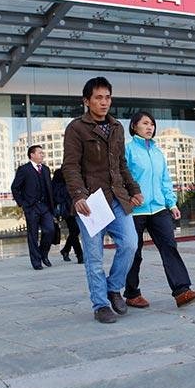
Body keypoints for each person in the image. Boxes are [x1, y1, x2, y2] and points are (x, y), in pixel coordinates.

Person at [62, 76, 143, 323]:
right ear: (86, 101)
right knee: (94, 256)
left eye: (107, 97)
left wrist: (134, 189)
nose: (104, 102)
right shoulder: (76, 128)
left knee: (130, 244)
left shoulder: (117, 127)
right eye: (98, 97)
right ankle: (100, 305)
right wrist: (78, 195)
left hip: (117, 197)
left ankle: (113, 287)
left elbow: (121, 164)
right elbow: (70, 166)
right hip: (91, 201)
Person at [124, 111, 195, 309]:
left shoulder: (158, 153)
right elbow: (122, 178)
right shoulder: (128, 150)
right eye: (145, 123)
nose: (149, 127)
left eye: (152, 124)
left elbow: (165, 181)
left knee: (169, 247)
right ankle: (132, 293)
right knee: (134, 253)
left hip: (159, 208)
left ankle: (182, 291)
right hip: (136, 210)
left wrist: (172, 203)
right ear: (134, 126)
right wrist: (128, 198)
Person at [11, 145, 55, 270]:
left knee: (50, 230)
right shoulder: (24, 169)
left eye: (42, 153)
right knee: (33, 235)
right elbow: (15, 188)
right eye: (40, 153)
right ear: (32, 155)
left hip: (45, 207)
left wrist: (52, 205)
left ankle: (43, 254)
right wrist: (22, 203)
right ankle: (36, 262)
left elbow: (49, 188)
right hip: (31, 207)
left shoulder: (45, 169)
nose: (42, 155)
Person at [52, 168, 83, 264]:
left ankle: (66, 250)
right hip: (67, 210)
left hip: (72, 208)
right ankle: (79, 255)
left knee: (75, 231)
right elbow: (58, 196)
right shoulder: (59, 180)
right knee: (75, 230)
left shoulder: (67, 179)